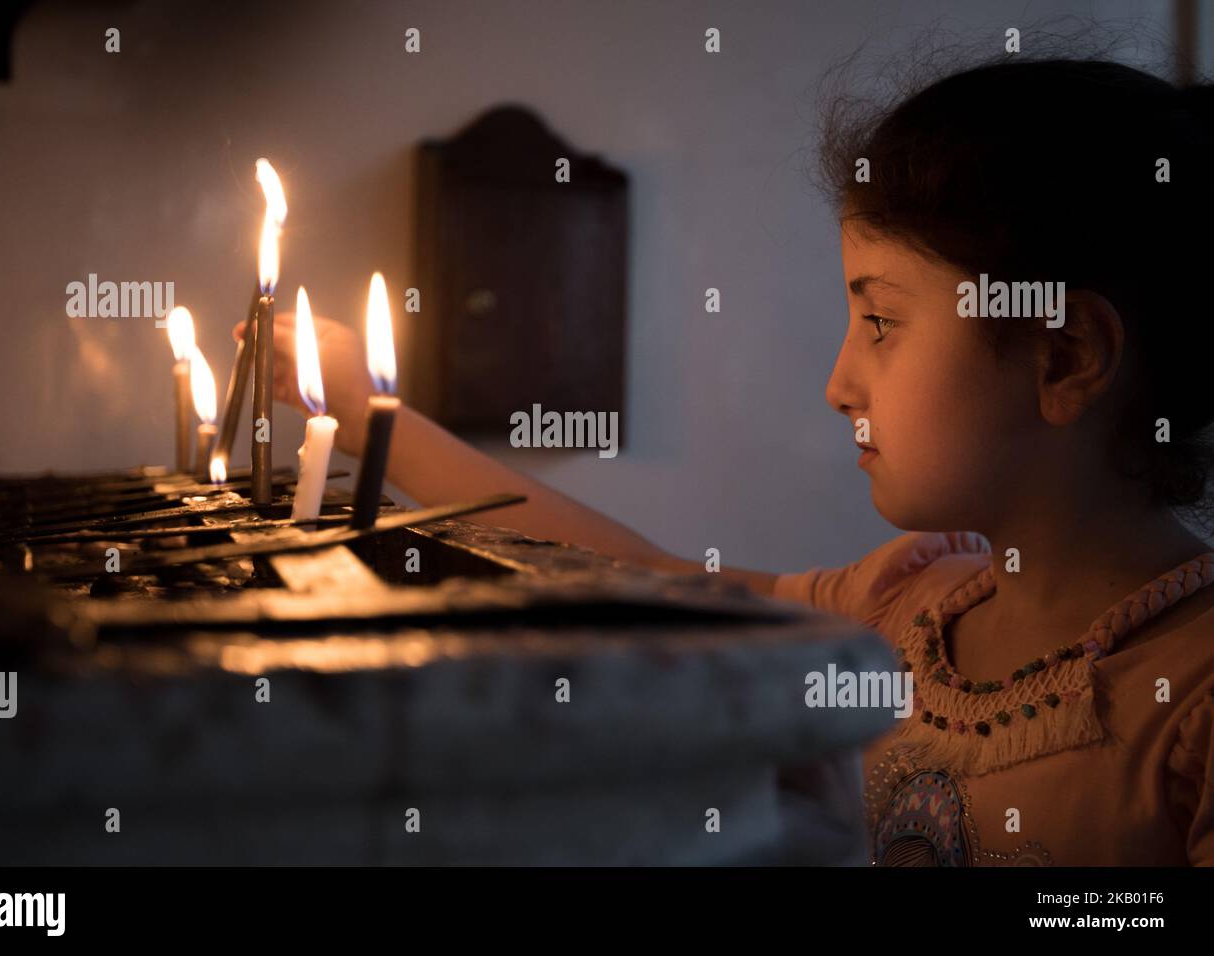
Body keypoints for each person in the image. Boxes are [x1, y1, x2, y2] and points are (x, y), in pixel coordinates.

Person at [244, 55, 1214, 866]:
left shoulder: (1191, 701)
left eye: (880, 322)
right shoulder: (903, 607)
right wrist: (376, 421)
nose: (839, 383)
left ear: (1062, 355)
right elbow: (632, 581)